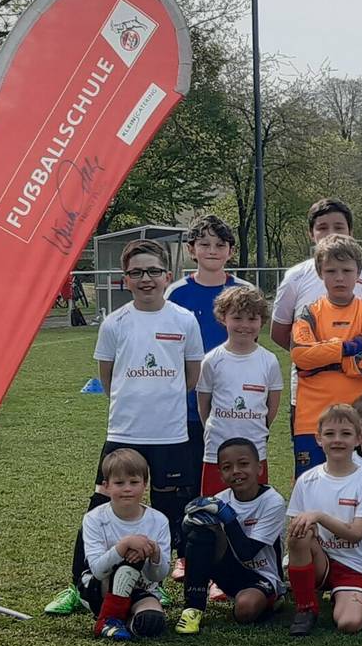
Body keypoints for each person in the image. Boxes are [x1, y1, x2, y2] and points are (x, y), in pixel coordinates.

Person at [46, 238, 204, 619]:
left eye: (153, 271)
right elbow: (107, 377)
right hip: (124, 433)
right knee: (100, 508)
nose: (146, 279)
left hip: (170, 436)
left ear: (167, 276)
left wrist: (160, 400)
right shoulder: (115, 323)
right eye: (137, 273)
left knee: (170, 512)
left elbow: (191, 375)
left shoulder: (184, 320)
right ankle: (80, 583)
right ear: (125, 280)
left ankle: (155, 585)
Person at [269, 198, 362, 431]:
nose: (330, 234)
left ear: (351, 231)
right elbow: (279, 332)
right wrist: (318, 358)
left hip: (359, 395)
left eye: (339, 227)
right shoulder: (296, 276)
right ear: (311, 233)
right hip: (309, 393)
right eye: (322, 228)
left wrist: (343, 360)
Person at [165, 214, 254, 515]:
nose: (212, 250)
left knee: (236, 475)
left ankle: (237, 542)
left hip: (232, 405)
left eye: (220, 244)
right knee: (190, 478)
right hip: (187, 405)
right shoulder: (177, 293)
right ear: (192, 250)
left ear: (230, 251)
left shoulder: (243, 291)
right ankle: (189, 548)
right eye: (204, 244)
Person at [288, 234, 362, 474]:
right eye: (332, 271)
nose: (340, 278)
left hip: (360, 421)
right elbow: (301, 355)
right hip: (311, 421)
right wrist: (346, 348)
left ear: (358, 273)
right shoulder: (309, 313)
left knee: (356, 494)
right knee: (310, 493)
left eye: (346, 270)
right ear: (320, 273)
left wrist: (329, 361)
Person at [284, 402, 362, 636]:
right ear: (319, 439)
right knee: (300, 531)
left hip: (352, 563)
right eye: (330, 434)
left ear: (358, 439)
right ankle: (306, 607)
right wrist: (308, 527)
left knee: (348, 624)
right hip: (320, 560)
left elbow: (357, 533)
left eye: (346, 434)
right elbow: (293, 531)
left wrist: (319, 516)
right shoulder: (306, 480)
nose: (337, 440)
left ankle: (352, 592)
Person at [175, 437, 285, 633]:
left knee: (245, 610)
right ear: (221, 474)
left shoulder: (272, 501)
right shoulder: (220, 499)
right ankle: (193, 608)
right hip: (228, 572)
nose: (236, 471)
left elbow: (247, 553)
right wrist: (188, 525)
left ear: (259, 468)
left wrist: (227, 516)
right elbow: (195, 539)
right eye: (227, 467)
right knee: (200, 533)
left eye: (243, 464)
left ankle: (273, 598)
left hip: (261, 575)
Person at [195, 285, 284, 496]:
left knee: (253, 508)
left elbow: (272, 406)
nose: (245, 325)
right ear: (223, 318)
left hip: (255, 450)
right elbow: (203, 406)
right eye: (237, 318)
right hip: (217, 449)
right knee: (214, 510)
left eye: (252, 319)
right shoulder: (211, 360)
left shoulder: (269, 361)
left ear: (261, 322)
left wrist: (256, 427)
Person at [78, 447, 173, 639]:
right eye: (119, 483)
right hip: (99, 589)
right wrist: (124, 546)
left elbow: (159, 575)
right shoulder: (94, 518)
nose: (127, 488)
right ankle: (108, 620)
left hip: (141, 589)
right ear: (106, 486)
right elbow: (97, 570)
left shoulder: (159, 520)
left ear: (145, 484)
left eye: (134, 482)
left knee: (152, 623)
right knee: (131, 558)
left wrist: (154, 554)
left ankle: (126, 621)